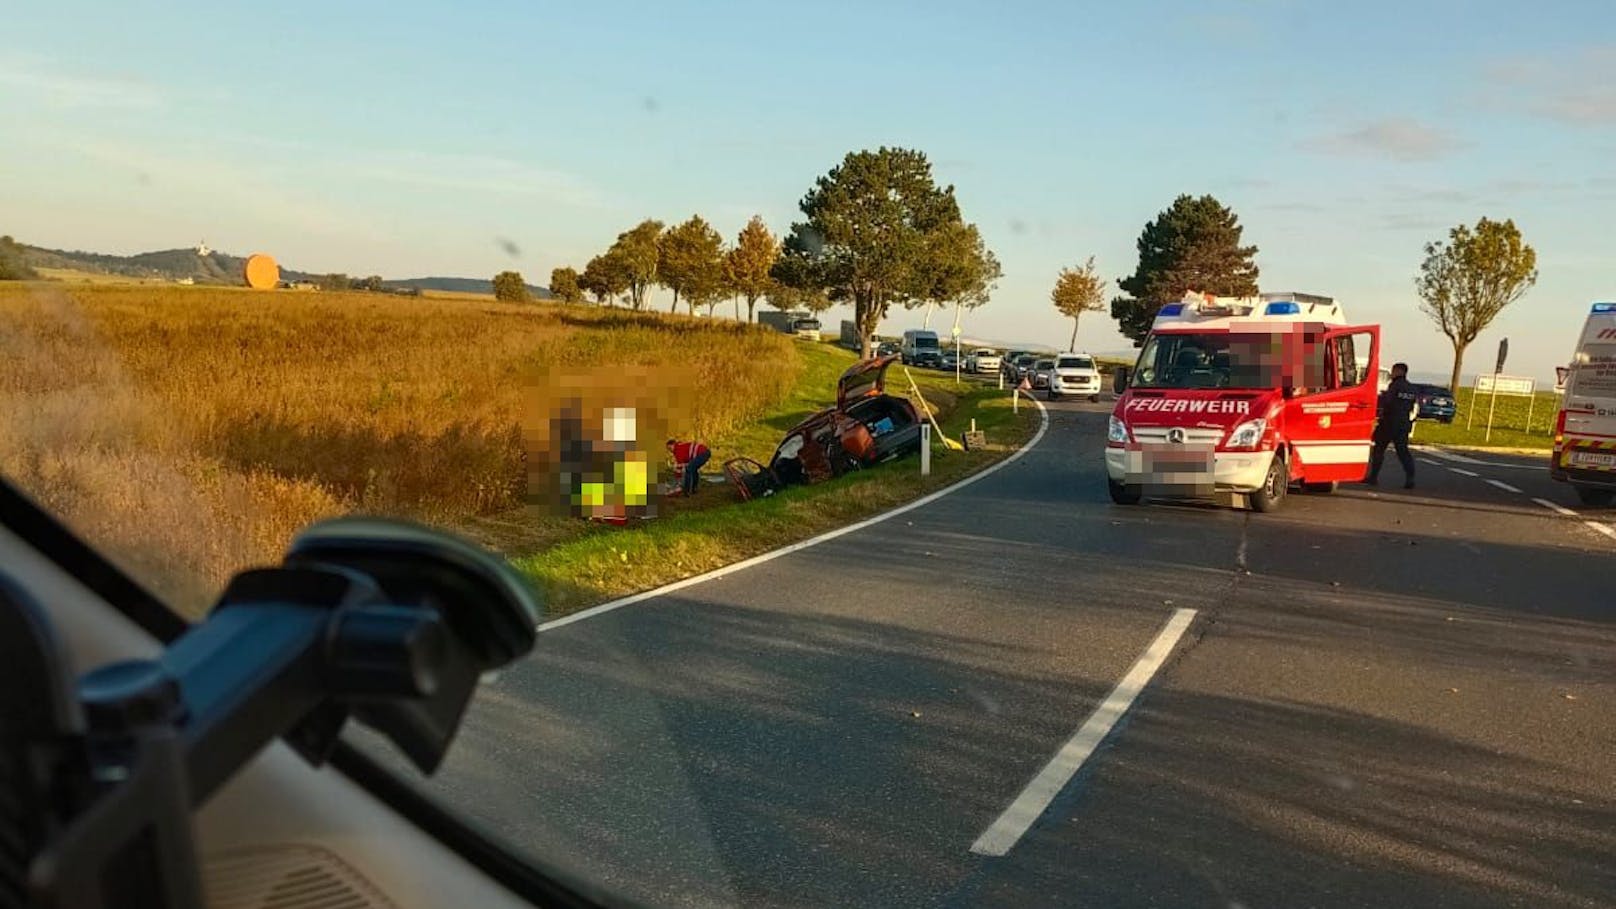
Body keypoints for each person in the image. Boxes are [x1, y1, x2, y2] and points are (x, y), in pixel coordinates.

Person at [1367, 362, 1419, 488]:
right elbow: (1413, 406)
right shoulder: (1411, 388)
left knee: (1379, 449)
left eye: (1393, 371)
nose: (1392, 373)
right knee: (1403, 452)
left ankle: (1373, 477)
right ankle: (1410, 478)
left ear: (1399, 372)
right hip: (1403, 424)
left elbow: (1388, 403)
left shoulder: (1394, 386)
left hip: (1389, 423)